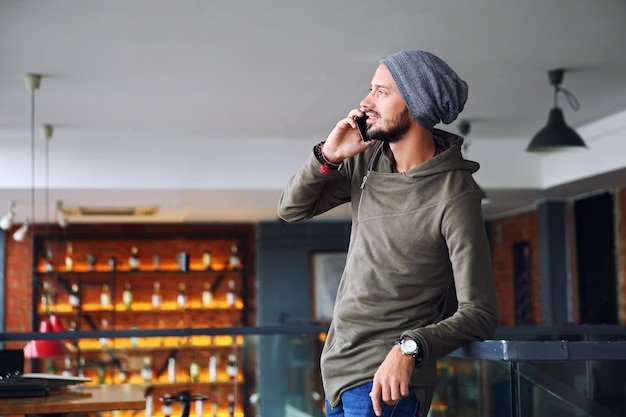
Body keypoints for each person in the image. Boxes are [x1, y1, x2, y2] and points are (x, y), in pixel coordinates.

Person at [277, 50, 498, 417]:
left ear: (415, 103)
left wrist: (409, 348)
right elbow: (291, 209)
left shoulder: (455, 194)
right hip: (338, 372)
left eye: (381, 92)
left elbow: (480, 313)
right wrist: (329, 155)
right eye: (371, 90)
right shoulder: (369, 160)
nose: (365, 103)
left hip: (387, 384)